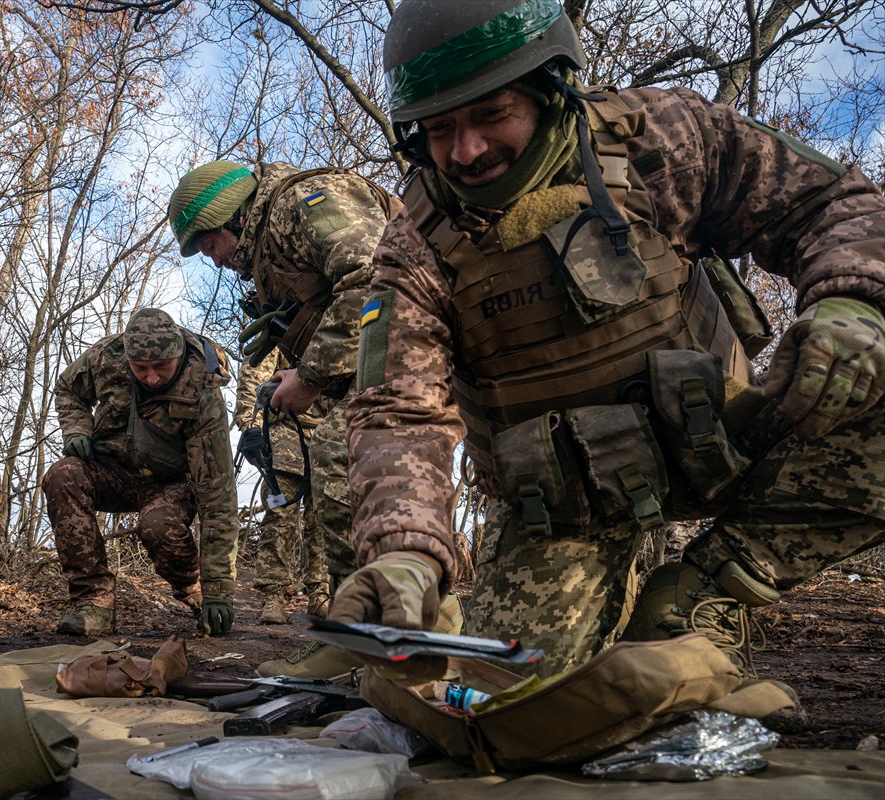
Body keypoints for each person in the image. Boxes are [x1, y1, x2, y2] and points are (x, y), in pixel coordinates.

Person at [330, 0, 885, 678]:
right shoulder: (415, 247)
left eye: (490, 114)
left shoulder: (661, 138)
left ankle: (707, 590)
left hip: (727, 436)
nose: (465, 151)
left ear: (550, 87)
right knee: (512, 697)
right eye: (438, 129)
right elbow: (397, 409)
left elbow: (826, 204)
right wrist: (406, 551)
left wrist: (852, 305)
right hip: (562, 504)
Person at [168, 159, 429, 678]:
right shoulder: (270, 242)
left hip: (417, 348)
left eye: (209, 246)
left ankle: (375, 635)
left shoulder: (307, 202)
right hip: (374, 366)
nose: (214, 261)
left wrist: (308, 376)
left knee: (342, 466)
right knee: (340, 473)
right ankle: (364, 630)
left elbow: (377, 278)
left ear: (234, 219)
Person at [45, 308, 240, 637]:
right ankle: (94, 603)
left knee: (157, 524)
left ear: (178, 353)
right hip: (114, 471)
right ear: (128, 358)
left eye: (162, 367)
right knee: (63, 474)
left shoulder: (202, 392)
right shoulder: (106, 358)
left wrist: (219, 590)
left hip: (171, 483)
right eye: (141, 368)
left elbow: (218, 496)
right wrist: (77, 430)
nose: (151, 378)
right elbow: (67, 388)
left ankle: (195, 589)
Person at [233, 350, 329, 624]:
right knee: (278, 518)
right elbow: (254, 376)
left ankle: (321, 595)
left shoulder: (338, 329)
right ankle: (273, 596)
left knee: (324, 521)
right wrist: (251, 428)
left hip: (329, 440)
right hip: (284, 438)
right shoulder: (286, 331)